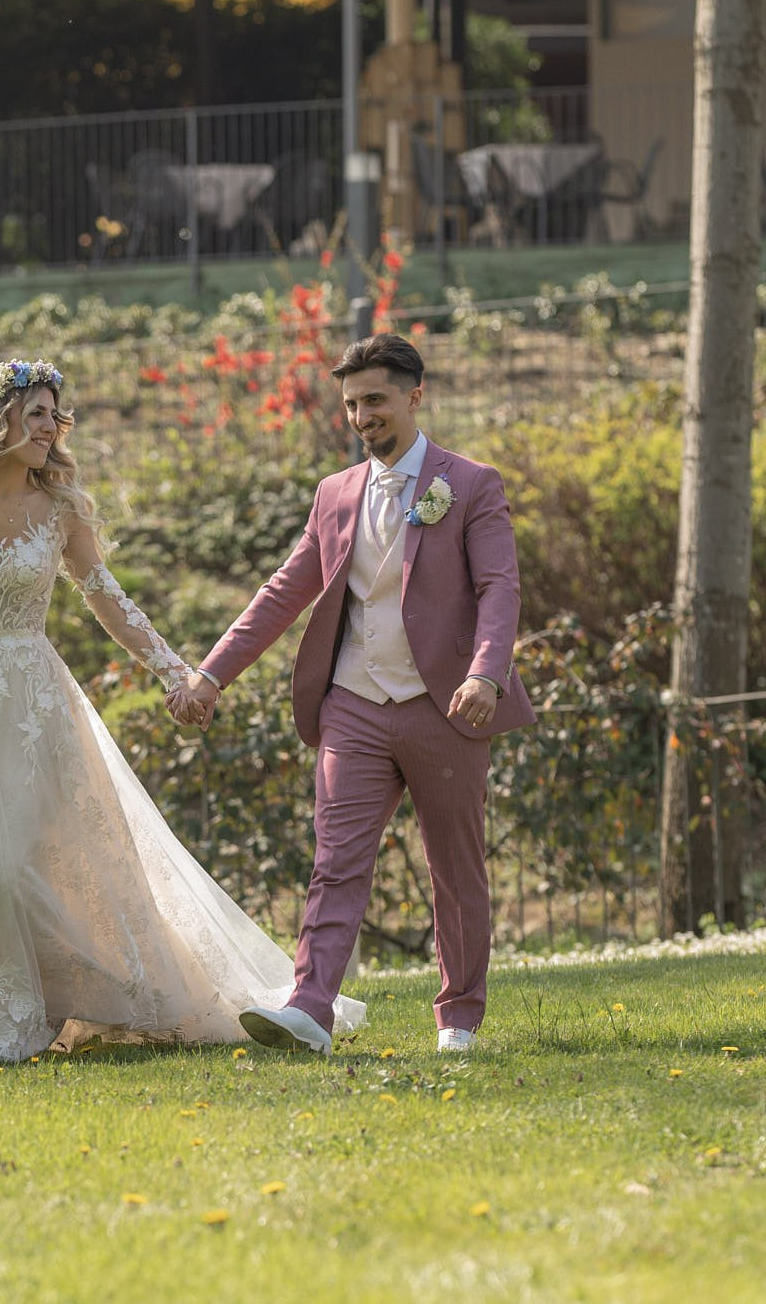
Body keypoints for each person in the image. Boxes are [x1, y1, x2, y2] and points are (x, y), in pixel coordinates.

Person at [0, 359, 365, 1066]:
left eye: (55, 416)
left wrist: (178, 672)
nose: (51, 427)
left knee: (12, 863)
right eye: (37, 413)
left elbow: (107, 599)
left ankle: (38, 1006)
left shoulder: (60, 510)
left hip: (28, 704)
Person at [171, 333, 534, 1057]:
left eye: (375, 399)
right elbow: (284, 591)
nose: (362, 415)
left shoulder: (470, 484)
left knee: (455, 865)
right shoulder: (334, 494)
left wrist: (486, 673)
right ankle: (310, 1007)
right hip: (353, 704)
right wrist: (210, 673)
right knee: (335, 859)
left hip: (446, 707)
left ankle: (458, 1016)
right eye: (350, 404)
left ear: (414, 396)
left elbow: (500, 588)